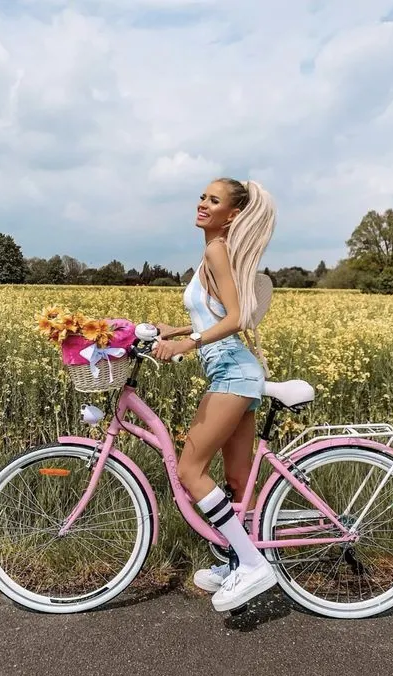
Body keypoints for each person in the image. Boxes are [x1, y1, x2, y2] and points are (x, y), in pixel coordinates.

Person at [152, 177, 277, 612]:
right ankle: (238, 558)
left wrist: (189, 344)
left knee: (190, 470)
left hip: (231, 373)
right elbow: (218, 313)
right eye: (203, 197)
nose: (203, 204)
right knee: (240, 482)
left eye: (215, 200)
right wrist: (179, 329)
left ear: (233, 214)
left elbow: (238, 319)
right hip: (238, 372)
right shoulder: (214, 253)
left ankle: (252, 565)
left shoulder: (215, 250)